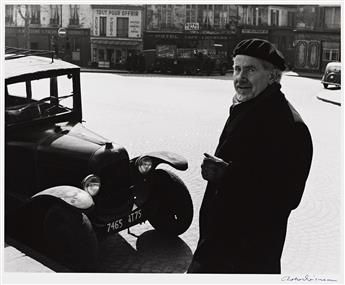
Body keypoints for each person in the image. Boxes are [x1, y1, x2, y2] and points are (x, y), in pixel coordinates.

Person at [187, 38, 313, 274]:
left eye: (250, 70)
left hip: (246, 258)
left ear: (273, 76)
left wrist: (228, 175)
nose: (240, 78)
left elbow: (288, 197)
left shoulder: (290, 126)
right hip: (218, 247)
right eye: (237, 69)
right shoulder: (247, 105)